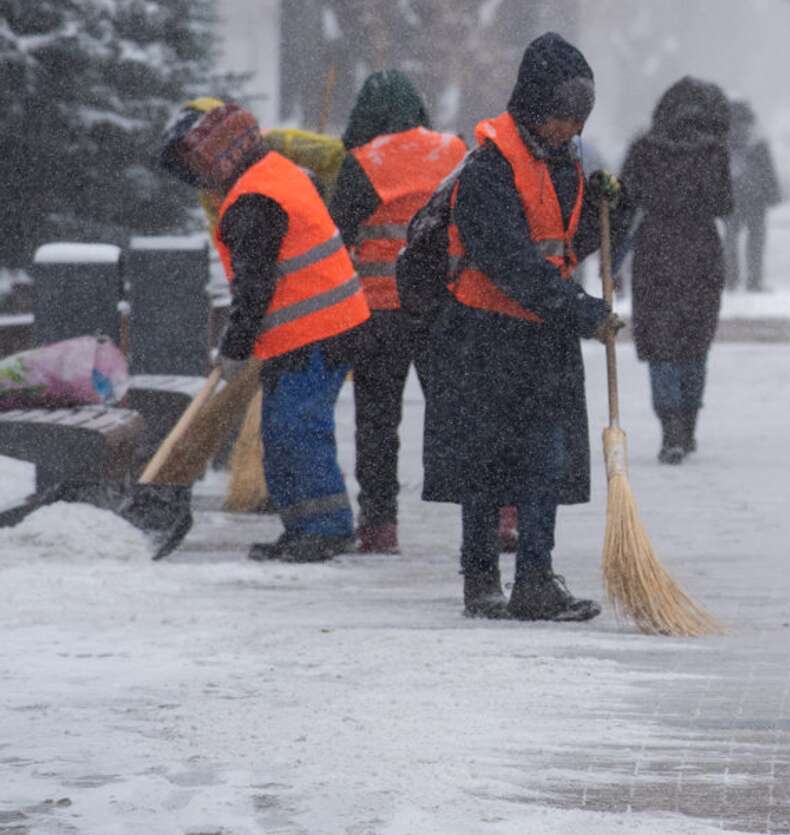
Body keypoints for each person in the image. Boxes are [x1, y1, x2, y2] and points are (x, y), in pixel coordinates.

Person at [421, 32, 626, 621]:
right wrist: (580, 311)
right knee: (484, 462)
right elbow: (509, 261)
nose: (572, 131)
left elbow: (568, 243)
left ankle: (535, 579)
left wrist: (616, 209)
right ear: (536, 109)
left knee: (545, 457)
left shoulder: (563, 164)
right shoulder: (488, 169)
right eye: (564, 118)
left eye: (580, 120)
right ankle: (480, 580)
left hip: (542, 337)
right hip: (484, 334)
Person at [144, 100, 372, 562]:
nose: (196, 177)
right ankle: (302, 526)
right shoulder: (270, 171)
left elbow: (254, 290)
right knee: (283, 430)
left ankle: (326, 528)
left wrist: (233, 349)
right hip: (312, 327)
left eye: (196, 164)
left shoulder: (254, 200)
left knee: (297, 427)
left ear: (217, 154)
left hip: (319, 330)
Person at [326, 70, 466, 554]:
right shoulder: (454, 151)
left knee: (378, 422)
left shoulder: (363, 162)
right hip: (442, 306)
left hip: (380, 311)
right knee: (461, 413)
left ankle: (380, 525)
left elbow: (335, 236)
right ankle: (494, 514)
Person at [621, 78, 734, 462]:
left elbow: (624, 202)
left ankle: (669, 425)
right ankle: (688, 423)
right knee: (695, 340)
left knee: (660, 343)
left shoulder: (643, 149)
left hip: (654, 250)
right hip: (700, 251)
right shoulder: (713, 152)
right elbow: (724, 205)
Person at [722, 98, 779, 293]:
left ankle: (731, 279)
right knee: (755, 240)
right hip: (756, 198)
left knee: (730, 239)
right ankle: (753, 281)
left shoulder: (724, 142)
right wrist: (773, 195)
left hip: (732, 197)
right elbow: (768, 171)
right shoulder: (757, 142)